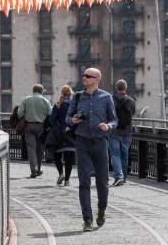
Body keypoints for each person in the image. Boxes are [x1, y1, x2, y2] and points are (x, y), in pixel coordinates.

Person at [66, 68, 118, 232]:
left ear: (97, 79)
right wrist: (72, 120)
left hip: (100, 143)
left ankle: (101, 209)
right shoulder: (77, 97)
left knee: (102, 183)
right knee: (84, 182)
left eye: (87, 76)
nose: (84, 78)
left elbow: (115, 120)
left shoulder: (106, 97)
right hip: (82, 143)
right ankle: (87, 220)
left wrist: (108, 126)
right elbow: (67, 118)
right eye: (83, 75)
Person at [45, 85, 76, 186]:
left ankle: (61, 174)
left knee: (57, 155)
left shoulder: (58, 105)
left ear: (62, 93)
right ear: (71, 93)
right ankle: (67, 180)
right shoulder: (74, 105)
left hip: (59, 134)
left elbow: (51, 120)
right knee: (69, 158)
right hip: (71, 134)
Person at [19, 84, 52, 178]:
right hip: (41, 127)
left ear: (33, 91)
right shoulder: (45, 100)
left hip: (29, 126)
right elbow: (50, 113)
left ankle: (34, 170)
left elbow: (20, 113)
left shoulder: (26, 99)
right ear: (42, 91)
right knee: (40, 149)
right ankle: (38, 169)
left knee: (31, 149)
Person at [109, 79, 136, 186]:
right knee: (124, 154)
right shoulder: (131, 101)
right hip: (127, 131)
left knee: (115, 154)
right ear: (125, 88)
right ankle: (123, 177)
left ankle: (118, 176)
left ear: (116, 88)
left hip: (114, 131)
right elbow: (132, 115)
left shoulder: (111, 100)